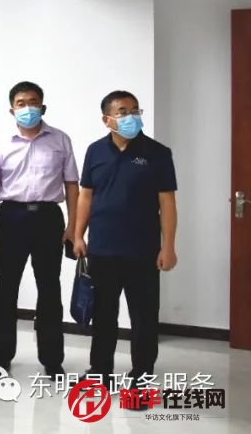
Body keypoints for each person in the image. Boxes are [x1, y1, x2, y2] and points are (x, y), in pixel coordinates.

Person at [74, 90, 177, 402]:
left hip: (143, 251)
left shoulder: (157, 153)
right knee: (103, 315)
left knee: (144, 318)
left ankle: (141, 377)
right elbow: (86, 196)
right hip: (102, 250)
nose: (131, 116)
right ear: (107, 119)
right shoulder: (95, 151)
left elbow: (167, 202)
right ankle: (100, 371)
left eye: (135, 110)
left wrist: (168, 246)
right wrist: (78, 235)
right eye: (122, 111)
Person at [0, 81, 79, 378]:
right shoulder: (1, 144)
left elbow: (72, 185)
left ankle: (52, 360)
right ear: (11, 110)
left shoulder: (60, 140)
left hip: (49, 218)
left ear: (43, 107)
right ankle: (1, 356)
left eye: (33, 102)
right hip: (11, 218)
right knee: (6, 289)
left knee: (49, 288)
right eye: (21, 103)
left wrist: (73, 226)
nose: (28, 108)